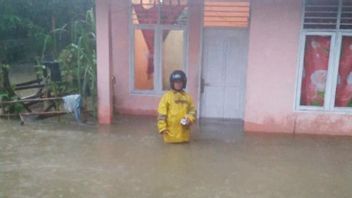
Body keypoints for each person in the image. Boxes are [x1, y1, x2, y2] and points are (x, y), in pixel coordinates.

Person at [157, 70, 196, 143]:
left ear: (184, 83)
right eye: (176, 82)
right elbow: (162, 115)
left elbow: (193, 112)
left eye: (180, 82)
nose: (178, 84)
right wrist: (162, 128)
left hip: (184, 135)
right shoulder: (166, 97)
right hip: (170, 135)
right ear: (172, 83)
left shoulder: (188, 97)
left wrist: (189, 119)